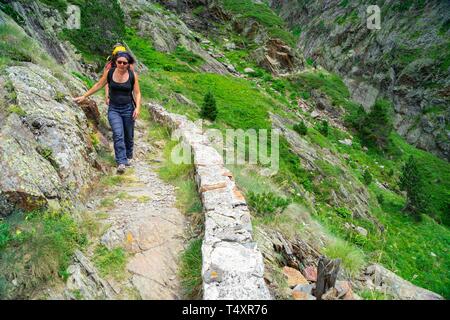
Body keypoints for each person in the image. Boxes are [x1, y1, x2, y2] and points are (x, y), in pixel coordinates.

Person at [73, 51, 141, 174]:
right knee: (118, 133)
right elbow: (99, 85)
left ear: (128, 64)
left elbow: (137, 93)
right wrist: (84, 96)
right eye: (119, 62)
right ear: (115, 62)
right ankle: (121, 161)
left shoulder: (132, 75)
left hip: (128, 109)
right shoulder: (109, 73)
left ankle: (128, 156)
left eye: (124, 63)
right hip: (114, 109)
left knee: (128, 135)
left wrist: (137, 108)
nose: (121, 64)